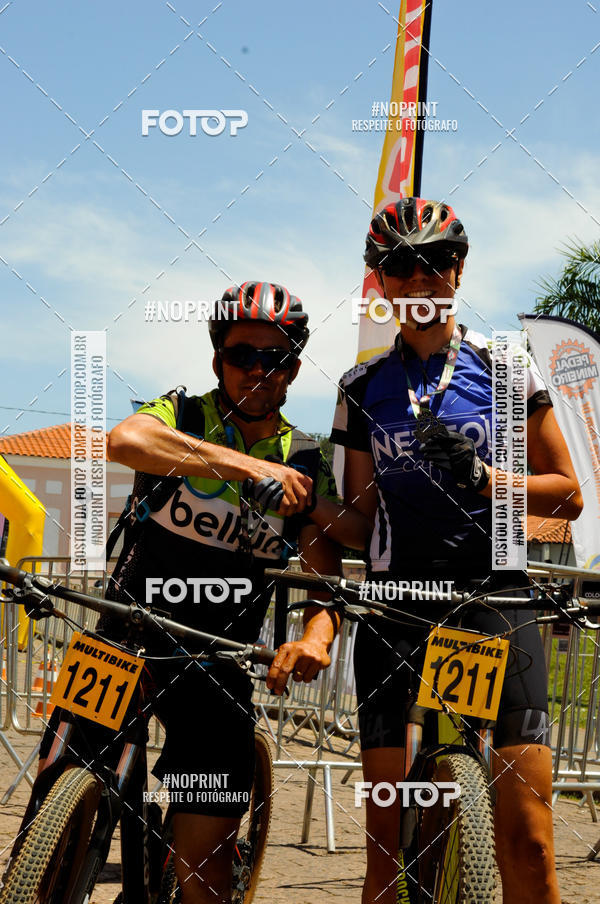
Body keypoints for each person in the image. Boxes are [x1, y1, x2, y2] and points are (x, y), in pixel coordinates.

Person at [38, 281, 341, 904]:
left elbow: (323, 560)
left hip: (217, 659)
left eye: (276, 357)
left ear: (295, 368)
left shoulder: (308, 459)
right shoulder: (184, 415)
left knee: (201, 869)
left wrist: (317, 632)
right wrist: (249, 468)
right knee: (46, 836)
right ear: (216, 361)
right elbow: (124, 442)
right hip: (122, 635)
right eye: (241, 355)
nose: (258, 370)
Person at [329, 198, 583, 904]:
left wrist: (487, 480)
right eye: (399, 266)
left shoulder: (505, 368)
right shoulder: (360, 388)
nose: (418, 280)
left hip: (494, 595)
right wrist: (290, 506)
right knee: (385, 855)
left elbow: (568, 497)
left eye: (433, 262)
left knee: (530, 843)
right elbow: (356, 519)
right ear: (380, 280)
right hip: (396, 607)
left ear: (458, 269)